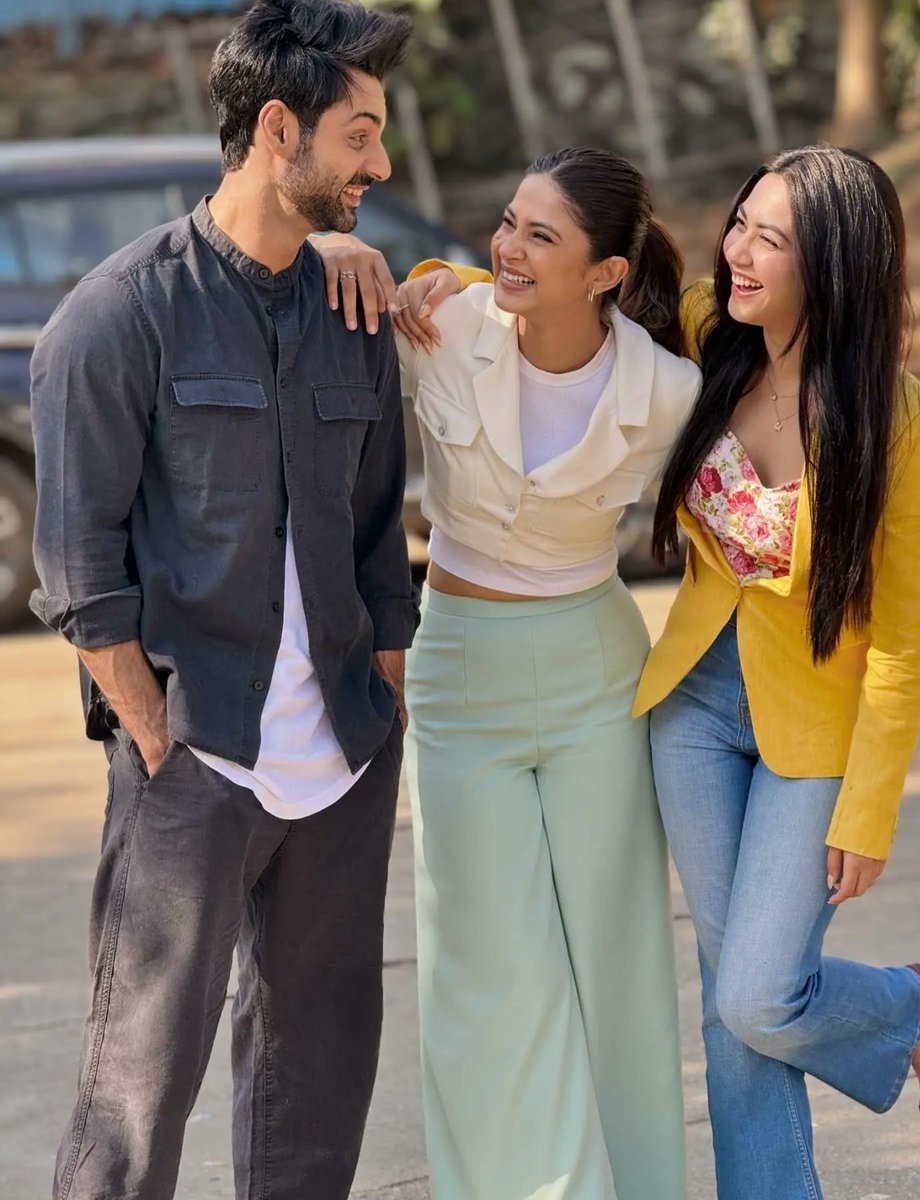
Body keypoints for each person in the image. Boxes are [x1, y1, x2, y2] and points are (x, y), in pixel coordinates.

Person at [29, 3, 416, 1197]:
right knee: (135, 1094)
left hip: (343, 762)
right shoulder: (118, 315)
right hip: (194, 756)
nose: (381, 165)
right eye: (361, 135)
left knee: (318, 1082)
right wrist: (148, 723)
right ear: (279, 128)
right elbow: (80, 566)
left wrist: (380, 690)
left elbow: (374, 526)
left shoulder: (353, 311)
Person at [314, 147, 701, 1199]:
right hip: (458, 671)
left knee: (615, 962)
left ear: (608, 272)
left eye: (542, 235)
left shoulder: (669, 392)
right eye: (508, 223)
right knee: (487, 966)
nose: (507, 247)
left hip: (597, 676)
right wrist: (336, 245)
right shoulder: (440, 329)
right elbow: (308, 317)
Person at [634, 145, 920, 1199]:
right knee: (730, 1003)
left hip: (809, 734)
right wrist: (430, 279)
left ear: (837, 264)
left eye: (771, 238)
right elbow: (564, 282)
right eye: (740, 225)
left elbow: (906, 635)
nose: (738, 251)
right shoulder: (706, 337)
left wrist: (869, 808)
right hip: (692, 707)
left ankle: (919, 1007)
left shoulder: (904, 424)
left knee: (760, 997)